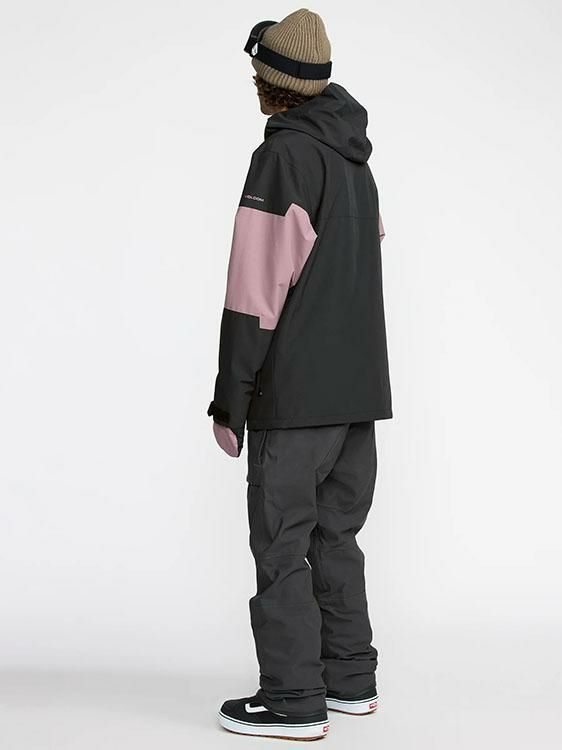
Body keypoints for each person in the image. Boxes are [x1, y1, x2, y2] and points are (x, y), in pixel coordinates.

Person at [207, 8, 392, 741]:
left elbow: (254, 293)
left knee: (282, 544)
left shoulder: (283, 157)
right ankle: (349, 679)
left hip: (296, 399)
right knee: (336, 537)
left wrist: (230, 400)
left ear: (268, 81)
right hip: (357, 396)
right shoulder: (356, 163)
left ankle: (292, 700)